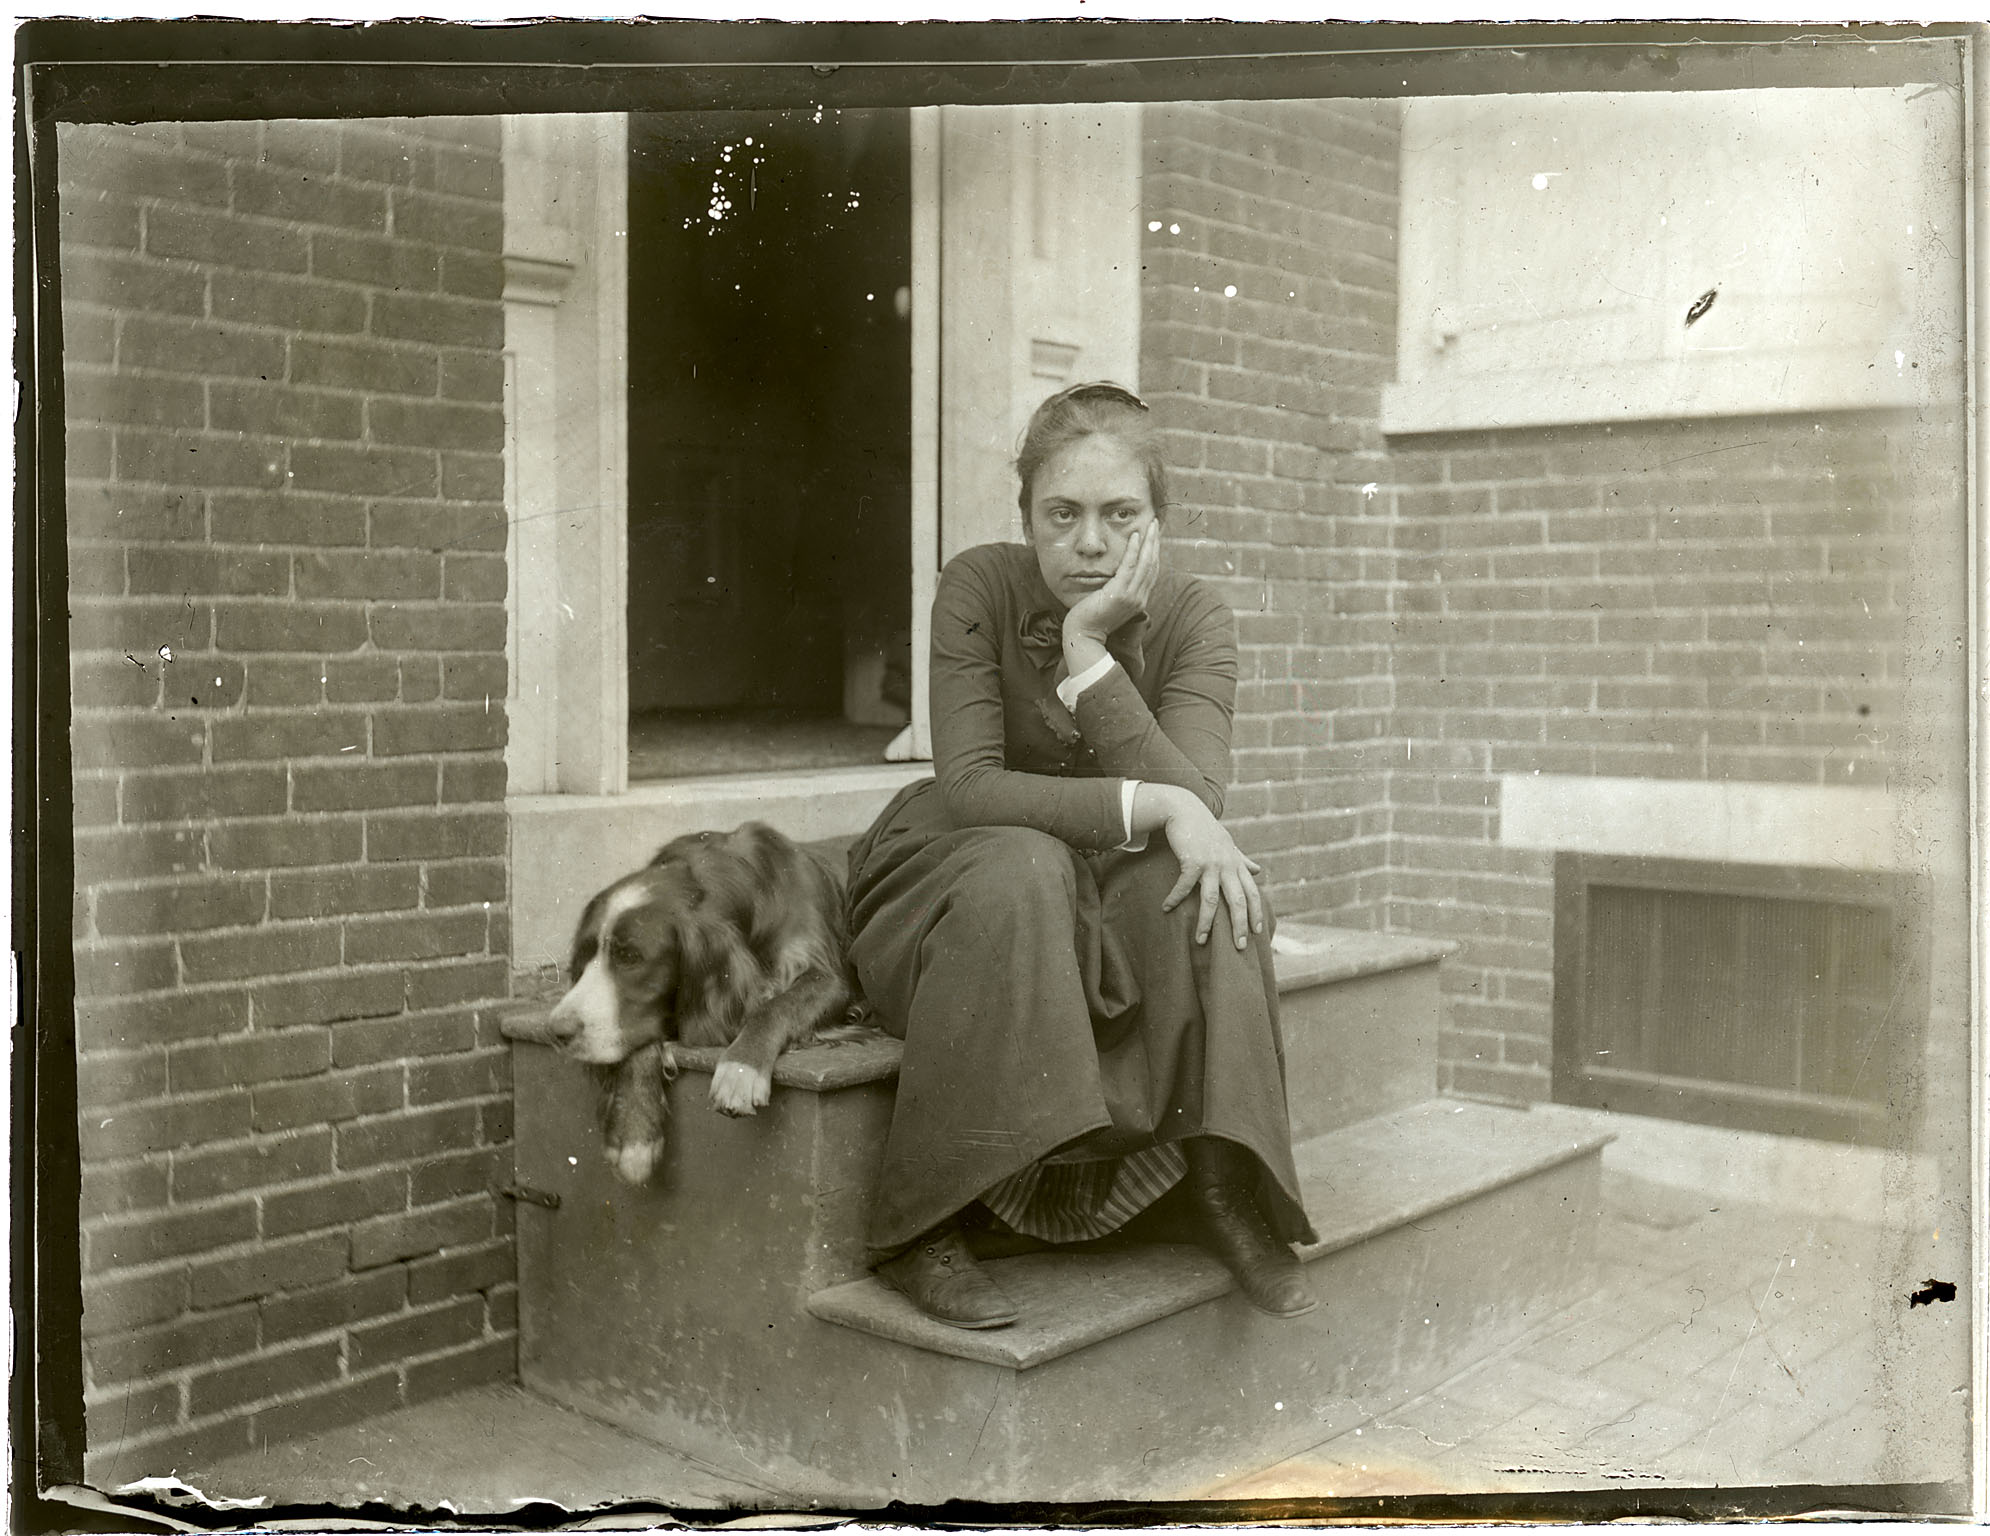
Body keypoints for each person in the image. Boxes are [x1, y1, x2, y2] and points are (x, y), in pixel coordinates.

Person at [844, 381, 1320, 1330]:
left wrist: (1090, 657)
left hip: (1096, 879)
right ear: (1025, 516)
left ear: (1158, 520)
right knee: (1021, 864)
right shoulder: (978, 584)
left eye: (1119, 515)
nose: (1090, 545)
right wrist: (1153, 800)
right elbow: (972, 787)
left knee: (1208, 876)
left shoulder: (1195, 618)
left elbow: (1201, 800)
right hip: (959, 868)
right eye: (1061, 515)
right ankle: (924, 1223)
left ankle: (1217, 1178)